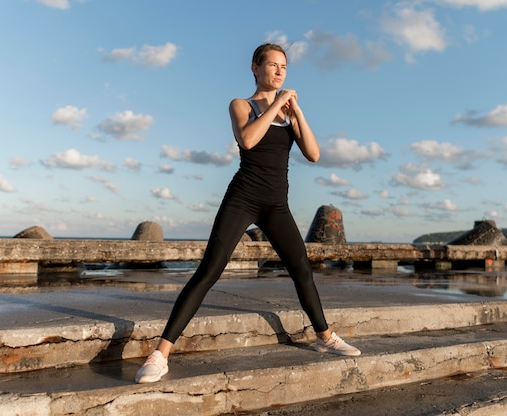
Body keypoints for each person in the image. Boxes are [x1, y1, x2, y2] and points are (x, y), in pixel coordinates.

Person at [135, 43, 360, 384]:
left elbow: (313, 154)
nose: (279, 70)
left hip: (277, 205)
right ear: (255, 68)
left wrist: (296, 111)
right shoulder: (242, 105)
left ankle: (325, 337)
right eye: (272, 64)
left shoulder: (289, 112)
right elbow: (249, 140)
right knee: (209, 270)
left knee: (301, 268)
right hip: (243, 198)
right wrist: (275, 105)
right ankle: (160, 353)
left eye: (283, 65)